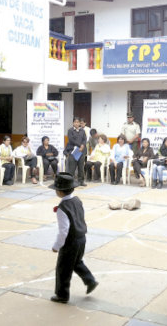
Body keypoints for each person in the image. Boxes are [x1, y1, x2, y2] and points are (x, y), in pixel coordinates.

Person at [50, 172, 98, 303]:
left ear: (59, 192)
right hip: (81, 238)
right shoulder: (77, 200)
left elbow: (63, 231)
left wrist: (56, 246)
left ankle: (62, 295)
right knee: (76, 262)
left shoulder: (62, 208)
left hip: (70, 242)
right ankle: (90, 280)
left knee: (63, 269)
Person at [64, 117, 87, 186]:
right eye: (75, 122)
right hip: (73, 151)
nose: (76, 123)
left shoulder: (82, 131)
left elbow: (84, 139)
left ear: (80, 123)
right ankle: (71, 181)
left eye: (78, 122)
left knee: (81, 167)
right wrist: (80, 145)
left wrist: (83, 145)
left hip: (81, 151)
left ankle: (81, 181)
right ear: (73, 123)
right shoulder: (70, 130)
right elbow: (71, 140)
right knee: (72, 167)